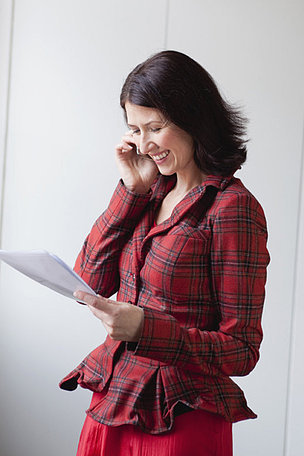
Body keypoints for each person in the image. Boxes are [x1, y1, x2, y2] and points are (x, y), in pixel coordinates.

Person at [60, 50, 270, 456]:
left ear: (194, 119)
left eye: (155, 127)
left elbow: (241, 350)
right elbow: (89, 279)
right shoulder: (149, 190)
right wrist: (131, 190)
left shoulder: (232, 209)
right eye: (135, 130)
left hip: (180, 418)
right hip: (112, 399)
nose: (145, 143)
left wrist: (145, 330)